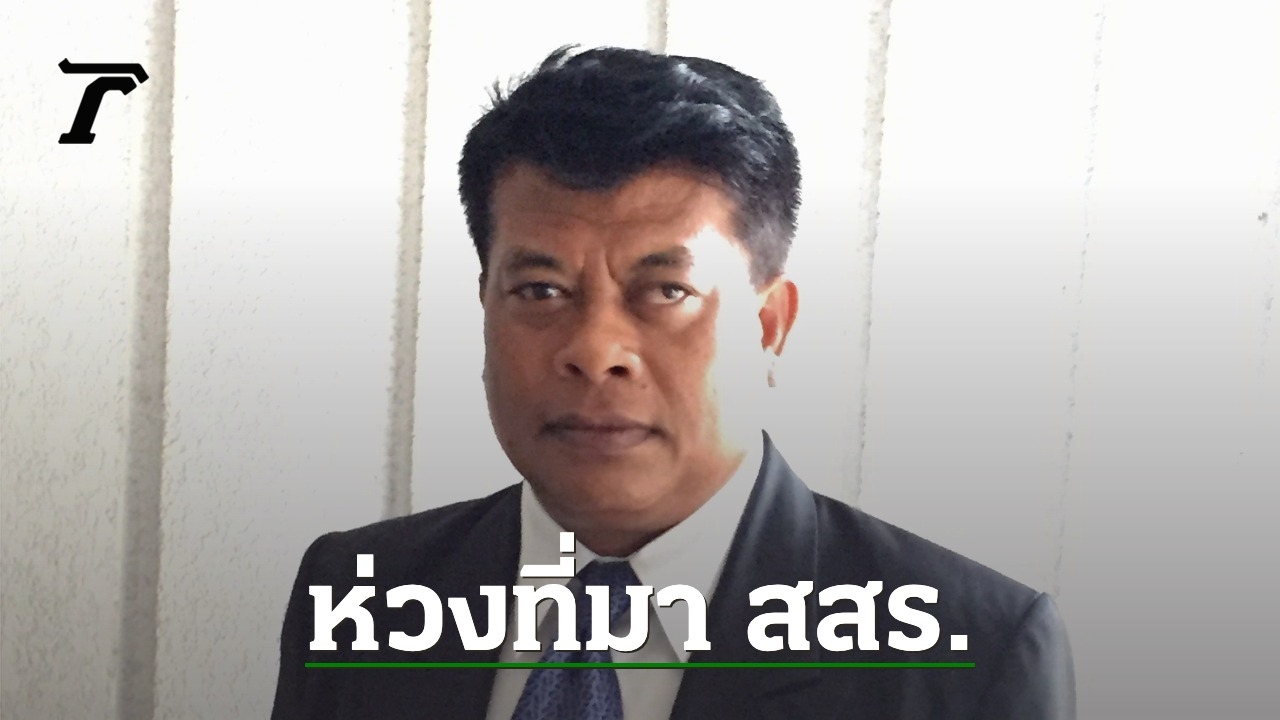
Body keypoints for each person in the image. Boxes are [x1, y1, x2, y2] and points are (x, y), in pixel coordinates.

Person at [270, 45, 1075, 720]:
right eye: (540, 290)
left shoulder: (971, 653)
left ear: (769, 325)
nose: (596, 351)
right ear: (486, 305)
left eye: (665, 291)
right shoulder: (362, 595)